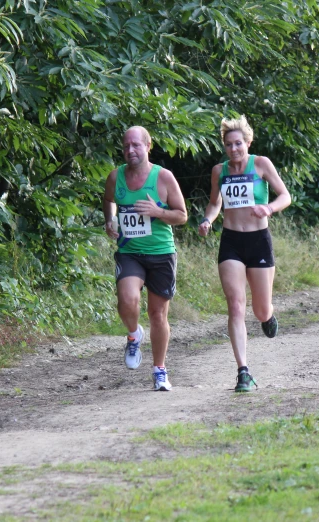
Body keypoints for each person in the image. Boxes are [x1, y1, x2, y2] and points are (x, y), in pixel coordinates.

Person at [198, 116, 291, 392]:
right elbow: (215, 203)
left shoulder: (261, 164)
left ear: (248, 143)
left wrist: (269, 208)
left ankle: (268, 317)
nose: (234, 149)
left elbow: (285, 196)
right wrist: (208, 220)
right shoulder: (219, 171)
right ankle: (243, 372)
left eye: (238, 143)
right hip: (231, 242)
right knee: (236, 306)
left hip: (258, 241)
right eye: (229, 144)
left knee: (260, 309)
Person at [103, 126, 188, 391]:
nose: (130, 150)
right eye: (126, 145)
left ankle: (159, 370)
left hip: (161, 253)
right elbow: (108, 200)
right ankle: (133, 334)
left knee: (157, 314)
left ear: (148, 146)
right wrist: (110, 219)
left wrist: (157, 211)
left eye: (136, 145)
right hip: (130, 251)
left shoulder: (163, 178)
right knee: (127, 299)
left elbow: (182, 215)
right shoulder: (116, 176)